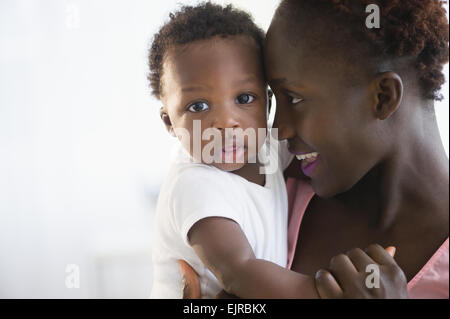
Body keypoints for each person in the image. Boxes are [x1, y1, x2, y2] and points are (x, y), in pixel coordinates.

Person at [180, 0, 449, 299]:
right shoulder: (265, 184)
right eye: (272, 99)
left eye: (293, 98)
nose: (278, 129)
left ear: (383, 97)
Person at [149, 2, 327, 299]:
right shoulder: (194, 184)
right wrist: (329, 294)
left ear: (267, 104)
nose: (226, 123)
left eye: (244, 98)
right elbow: (239, 271)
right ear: (170, 122)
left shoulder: (269, 149)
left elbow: (318, 151)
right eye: (198, 106)